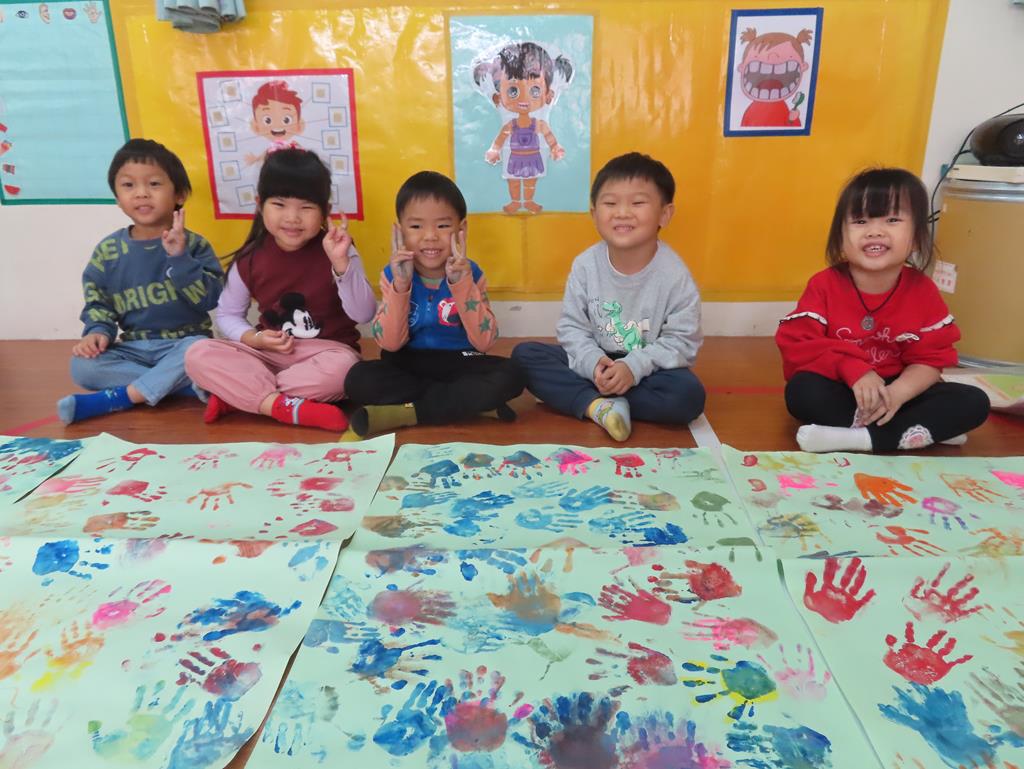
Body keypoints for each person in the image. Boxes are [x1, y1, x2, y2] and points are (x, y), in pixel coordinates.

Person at [776, 167, 989, 452]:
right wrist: (854, 370)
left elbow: (930, 360)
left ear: (916, 237)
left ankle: (861, 438)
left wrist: (897, 393)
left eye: (892, 220)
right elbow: (799, 345)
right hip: (846, 387)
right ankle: (917, 430)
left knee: (974, 401)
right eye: (860, 221)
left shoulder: (923, 290)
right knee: (802, 392)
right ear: (840, 238)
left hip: (898, 391)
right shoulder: (824, 284)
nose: (874, 231)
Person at [512, 152, 705, 442]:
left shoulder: (675, 275)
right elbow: (572, 327)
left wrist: (633, 367)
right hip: (596, 362)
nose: (622, 213)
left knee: (688, 396)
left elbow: (683, 341)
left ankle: (586, 398)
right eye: (611, 203)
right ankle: (599, 406)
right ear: (594, 214)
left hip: (646, 369)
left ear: (665, 214)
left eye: (637, 203)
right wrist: (593, 362)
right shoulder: (585, 265)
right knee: (525, 357)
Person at [185, 148, 375, 432]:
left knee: (347, 370)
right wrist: (255, 338)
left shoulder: (339, 250)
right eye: (279, 204)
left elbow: (364, 314)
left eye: (306, 207)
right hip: (267, 355)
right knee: (197, 353)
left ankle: (242, 397)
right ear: (260, 204)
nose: (292, 217)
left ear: (325, 211)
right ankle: (280, 405)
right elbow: (227, 315)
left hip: (327, 354)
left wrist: (340, 265)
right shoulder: (250, 258)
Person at [344, 171, 525, 436]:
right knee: (358, 379)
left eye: (442, 226)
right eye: (416, 227)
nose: (430, 236)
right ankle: (468, 405)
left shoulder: (471, 273)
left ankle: (407, 412)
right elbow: (390, 343)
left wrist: (461, 283)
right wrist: (401, 285)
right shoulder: (393, 274)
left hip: (461, 361)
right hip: (407, 362)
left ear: (461, 230)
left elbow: (484, 342)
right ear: (400, 230)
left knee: (512, 374)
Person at [57, 139, 224, 425]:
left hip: (185, 345)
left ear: (179, 194)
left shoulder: (194, 245)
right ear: (117, 197)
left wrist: (180, 258)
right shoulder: (108, 251)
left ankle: (122, 396)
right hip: (135, 349)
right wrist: (97, 332)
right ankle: (181, 387)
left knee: (204, 351)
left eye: (154, 184)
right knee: (82, 366)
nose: (142, 193)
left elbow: (209, 299)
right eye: (128, 185)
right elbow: (98, 303)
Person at [473, 41, 574, 213]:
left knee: (530, 181)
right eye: (513, 91)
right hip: (515, 157)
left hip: (532, 157)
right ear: (499, 96)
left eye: (535, 90)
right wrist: (494, 150)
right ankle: (515, 201)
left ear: (548, 95)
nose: (524, 99)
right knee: (513, 180)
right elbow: (502, 137)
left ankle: (527, 201)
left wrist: (555, 147)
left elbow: (548, 135)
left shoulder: (538, 124)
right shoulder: (511, 124)